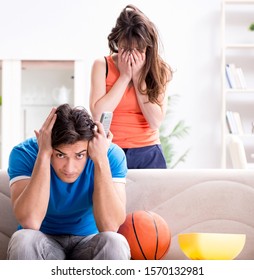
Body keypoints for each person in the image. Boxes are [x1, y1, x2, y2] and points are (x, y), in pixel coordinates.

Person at [7, 104, 130, 260]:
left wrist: (100, 160)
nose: (70, 168)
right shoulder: (25, 153)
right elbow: (30, 222)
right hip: (43, 239)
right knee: (23, 239)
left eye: (79, 155)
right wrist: (44, 154)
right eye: (60, 155)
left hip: (89, 241)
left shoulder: (110, 154)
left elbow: (110, 226)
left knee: (115, 242)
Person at [90, 4, 173, 169]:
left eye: (138, 50)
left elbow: (155, 121)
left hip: (148, 152)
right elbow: (98, 114)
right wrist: (124, 76)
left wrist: (137, 77)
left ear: (147, 47)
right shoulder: (102, 65)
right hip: (110, 148)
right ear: (117, 43)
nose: (131, 56)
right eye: (125, 49)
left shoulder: (160, 70)